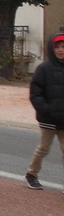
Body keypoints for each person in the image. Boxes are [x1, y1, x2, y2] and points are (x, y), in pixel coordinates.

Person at [24, 33, 64, 190]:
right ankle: (31, 174)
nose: (61, 50)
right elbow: (35, 94)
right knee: (44, 148)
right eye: (57, 47)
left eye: (63, 46)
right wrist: (46, 110)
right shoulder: (44, 69)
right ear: (51, 48)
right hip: (48, 118)